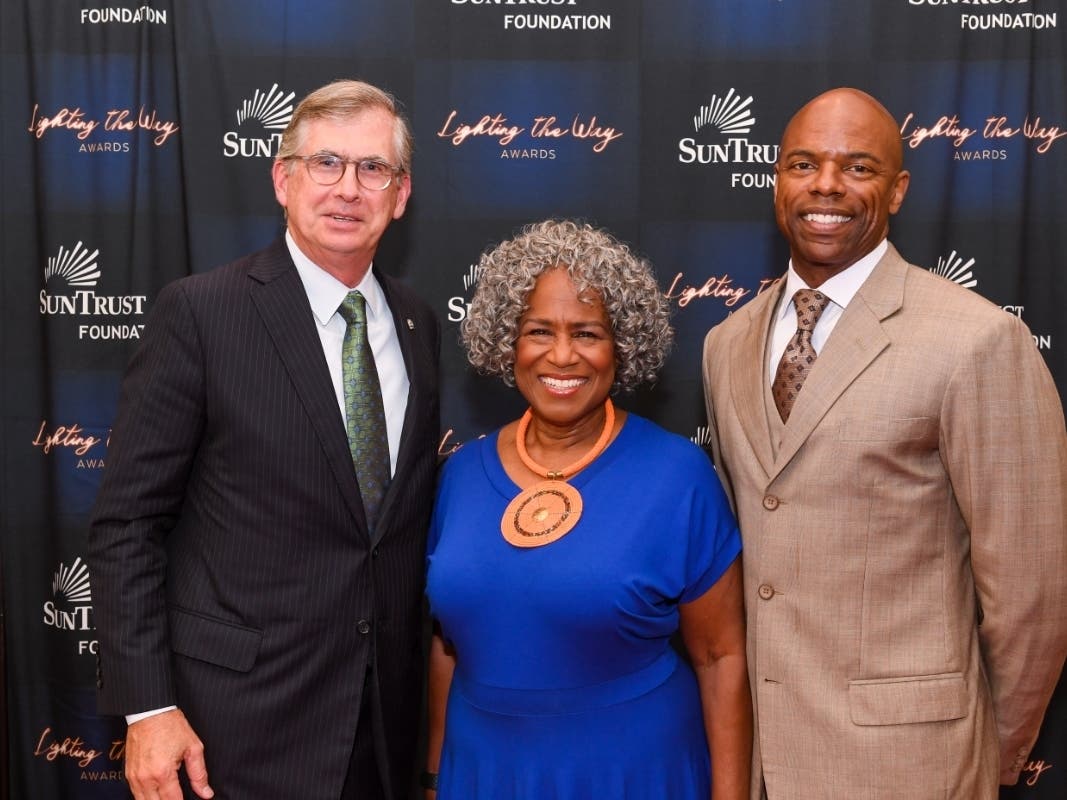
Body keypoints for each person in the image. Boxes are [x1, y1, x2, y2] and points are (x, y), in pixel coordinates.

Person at [702, 87, 1067, 799]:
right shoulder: (727, 343)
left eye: (857, 167)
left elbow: (1031, 595)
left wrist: (981, 761)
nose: (826, 185)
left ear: (897, 190)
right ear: (776, 181)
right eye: (803, 164)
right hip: (763, 765)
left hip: (917, 769)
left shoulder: (977, 340)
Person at [87, 79, 440, 800]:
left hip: (384, 731)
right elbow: (127, 524)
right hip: (233, 730)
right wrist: (148, 708)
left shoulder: (417, 323)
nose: (348, 188)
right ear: (283, 179)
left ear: (400, 194)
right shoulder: (201, 313)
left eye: (373, 168)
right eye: (326, 163)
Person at [424, 219, 751, 799]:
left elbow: (720, 658)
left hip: (632, 774)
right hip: (482, 773)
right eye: (538, 331)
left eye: (587, 333)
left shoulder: (677, 476)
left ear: (622, 346)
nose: (562, 355)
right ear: (507, 341)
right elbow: (446, 646)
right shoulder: (461, 476)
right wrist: (432, 779)